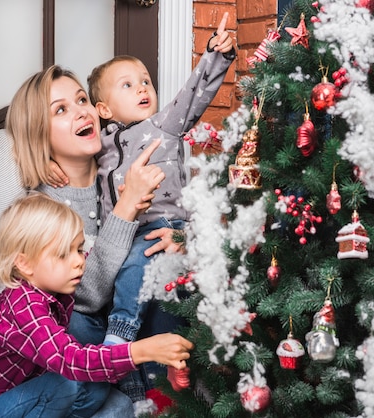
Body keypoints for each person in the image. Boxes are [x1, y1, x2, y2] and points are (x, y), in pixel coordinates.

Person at [0, 38, 162, 417]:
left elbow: (77, 139)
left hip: (14, 337)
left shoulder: (12, 150)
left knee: (119, 401)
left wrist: (173, 228)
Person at [7, 64, 186, 412]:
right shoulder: (41, 205)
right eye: (60, 110)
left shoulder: (129, 163)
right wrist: (128, 206)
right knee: (73, 319)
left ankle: (168, 401)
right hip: (88, 346)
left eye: (81, 100)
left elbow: (176, 210)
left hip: (151, 329)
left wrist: (181, 237)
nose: (81, 112)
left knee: (164, 279)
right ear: (37, 132)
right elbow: (83, 299)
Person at [86, 11, 235, 401]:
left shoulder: (164, 126)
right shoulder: (97, 147)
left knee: (141, 269)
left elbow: (194, 95)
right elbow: (64, 151)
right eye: (128, 84)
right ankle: (137, 385)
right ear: (103, 109)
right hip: (118, 236)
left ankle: (120, 336)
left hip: (162, 227)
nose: (143, 89)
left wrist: (215, 56)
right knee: (140, 292)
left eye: (146, 82)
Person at [0, 192, 193, 418]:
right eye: (62, 254)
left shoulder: (52, 285)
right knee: (70, 383)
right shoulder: (22, 306)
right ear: (25, 264)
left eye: (78, 249)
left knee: (108, 395)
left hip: (37, 390)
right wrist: (141, 351)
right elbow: (69, 360)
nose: (79, 261)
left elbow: (102, 258)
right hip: (4, 405)